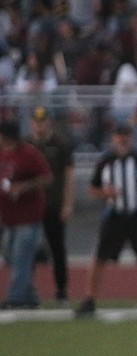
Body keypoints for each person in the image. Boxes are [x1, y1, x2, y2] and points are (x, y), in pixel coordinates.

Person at [76, 124, 137, 317]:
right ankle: (90, 298)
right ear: (113, 139)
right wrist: (105, 193)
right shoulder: (106, 161)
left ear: (132, 138)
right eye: (119, 136)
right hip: (114, 216)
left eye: (126, 136)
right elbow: (93, 189)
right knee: (99, 258)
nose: (123, 139)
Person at [0, 118, 51, 309]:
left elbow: (46, 178)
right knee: (10, 254)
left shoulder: (29, 154)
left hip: (28, 215)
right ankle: (29, 296)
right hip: (8, 216)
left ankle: (16, 297)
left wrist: (23, 187)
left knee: (22, 255)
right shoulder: (2, 154)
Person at [28, 106, 73, 305]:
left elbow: (68, 175)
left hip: (53, 204)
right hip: (30, 208)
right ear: (31, 123)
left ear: (49, 122)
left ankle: (61, 290)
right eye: (36, 121)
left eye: (43, 121)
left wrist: (67, 204)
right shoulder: (27, 145)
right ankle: (28, 290)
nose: (39, 125)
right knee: (28, 251)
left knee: (57, 250)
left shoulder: (59, 144)